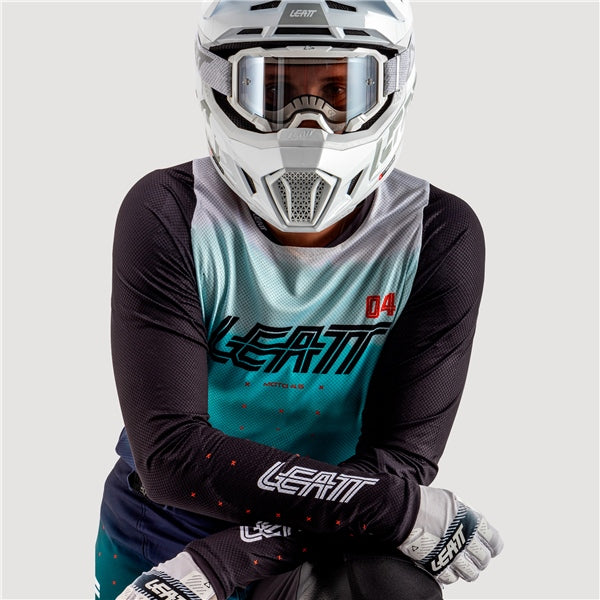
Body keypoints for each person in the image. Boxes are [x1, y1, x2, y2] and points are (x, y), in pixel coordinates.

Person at [94, 1, 503, 599]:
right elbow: (172, 457)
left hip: (333, 522)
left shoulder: (436, 234)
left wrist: (225, 561)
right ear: (219, 85)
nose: (308, 124)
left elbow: (399, 463)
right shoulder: (170, 211)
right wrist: (396, 508)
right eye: (273, 90)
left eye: (340, 91)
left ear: (394, 85)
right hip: (172, 519)